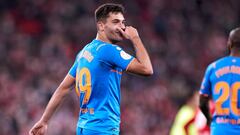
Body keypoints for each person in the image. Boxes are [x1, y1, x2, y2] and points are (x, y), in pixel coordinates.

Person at [29, 3, 153, 135]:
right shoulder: (109, 50)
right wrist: (135, 38)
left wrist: (44, 121)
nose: (122, 27)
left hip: (84, 127)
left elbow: (63, 88)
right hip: (103, 127)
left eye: (123, 22)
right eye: (116, 22)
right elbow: (147, 69)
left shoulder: (85, 52)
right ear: (101, 25)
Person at [199, 27, 240, 134]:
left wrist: (209, 119)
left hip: (220, 129)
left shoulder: (213, 67)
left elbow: (202, 101)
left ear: (229, 44)